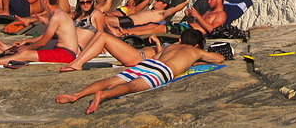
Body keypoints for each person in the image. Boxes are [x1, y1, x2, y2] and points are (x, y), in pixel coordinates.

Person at [55, 28, 224, 114]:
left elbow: (158, 56)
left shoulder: (172, 46)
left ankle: (76, 95)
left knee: (112, 80)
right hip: (163, 71)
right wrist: (198, 59)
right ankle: (104, 95)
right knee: (132, 86)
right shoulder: (195, 51)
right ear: (196, 45)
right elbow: (219, 58)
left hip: (148, 64)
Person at [125, 0, 227, 36]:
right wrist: (190, 16)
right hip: (187, 27)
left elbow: (213, 30)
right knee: (152, 25)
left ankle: (129, 32)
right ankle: (127, 30)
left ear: (218, 0)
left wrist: (198, 16)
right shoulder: (209, 11)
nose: (208, 1)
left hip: (190, 33)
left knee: (160, 28)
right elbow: (197, 23)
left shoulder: (221, 15)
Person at [59, 31, 163, 72]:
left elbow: (162, 59)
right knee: (100, 33)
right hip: (137, 53)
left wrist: (158, 43)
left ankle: (78, 63)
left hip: (138, 58)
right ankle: (77, 60)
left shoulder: (174, 50)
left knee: (104, 37)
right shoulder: (175, 47)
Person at [102, 0, 189, 35]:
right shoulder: (151, 10)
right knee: (101, 20)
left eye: (158, 1)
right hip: (126, 20)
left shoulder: (162, 13)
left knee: (101, 19)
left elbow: (177, 8)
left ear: (164, 5)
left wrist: (186, 1)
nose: (155, 1)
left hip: (129, 22)